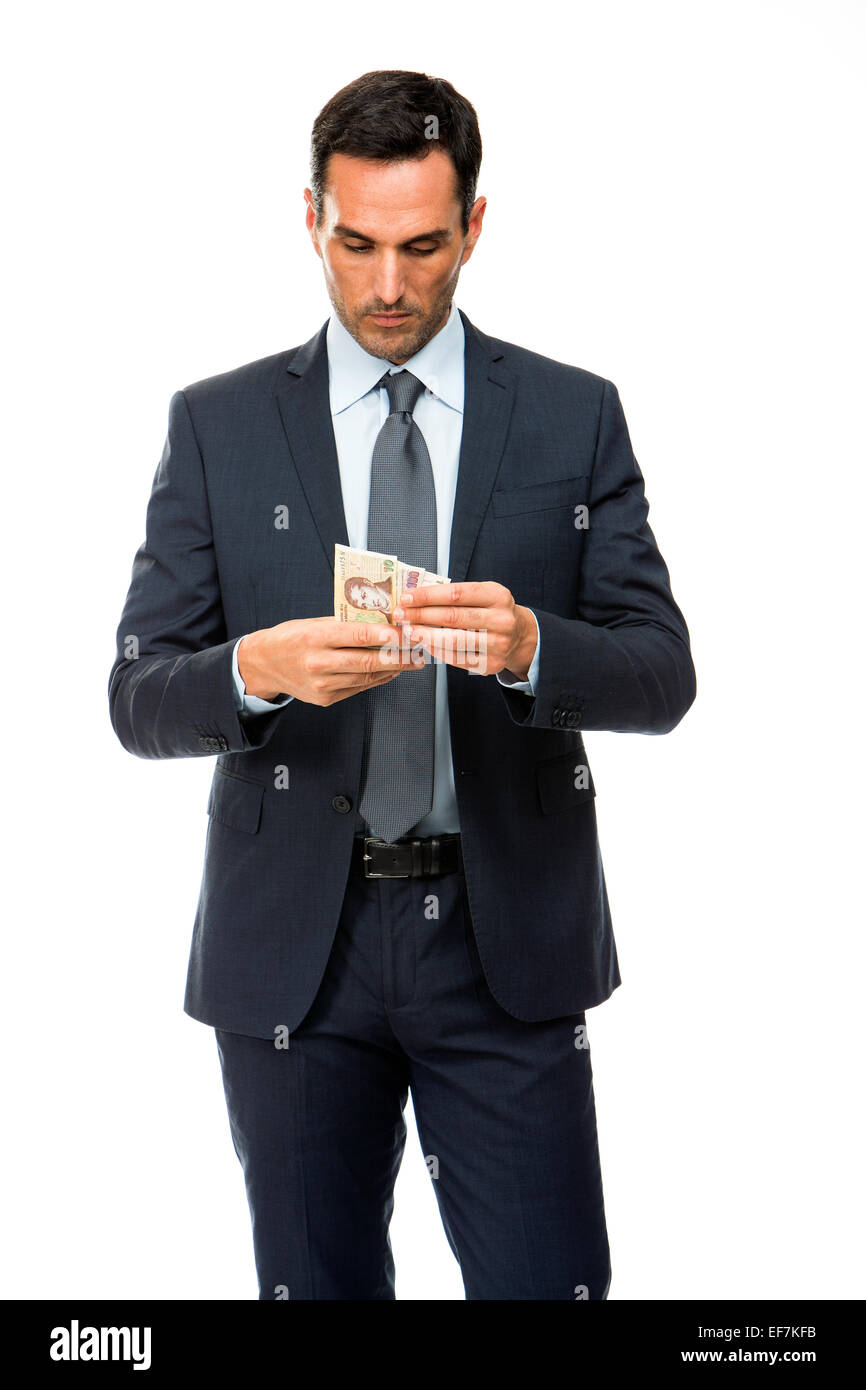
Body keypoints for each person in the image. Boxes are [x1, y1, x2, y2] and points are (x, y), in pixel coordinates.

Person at [108, 68, 696, 1301]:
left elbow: (659, 673)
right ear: (310, 220)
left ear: (474, 226)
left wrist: (535, 641)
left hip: (505, 946)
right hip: (292, 959)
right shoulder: (215, 427)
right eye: (356, 243)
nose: (386, 287)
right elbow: (137, 693)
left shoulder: (570, 417)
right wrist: (250, 670)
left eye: (423, 246)